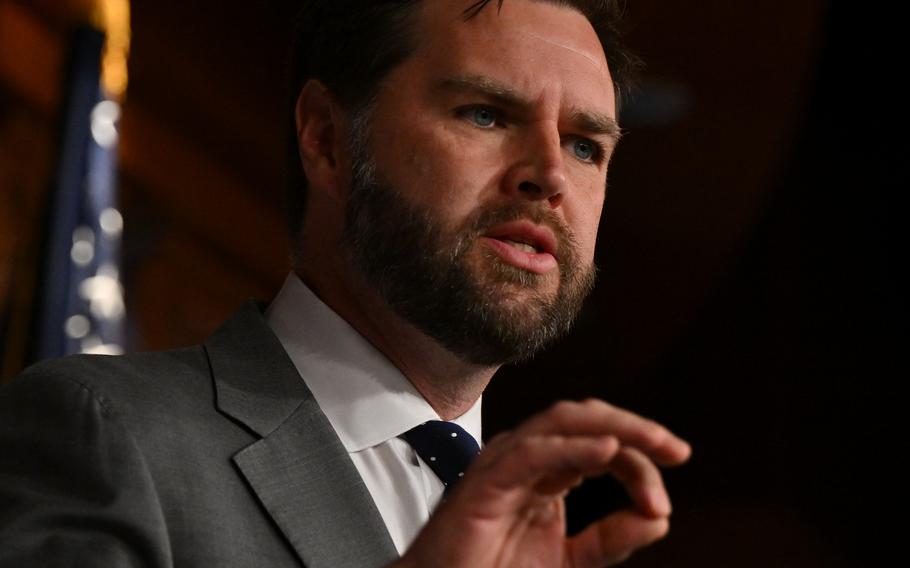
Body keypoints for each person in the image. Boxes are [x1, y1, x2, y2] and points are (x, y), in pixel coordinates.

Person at [0, 0, 691, 566]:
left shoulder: (559, 540)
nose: (551, 174)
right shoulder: (108, 434)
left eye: (584, 146)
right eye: (485, 114)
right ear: (328, 139)